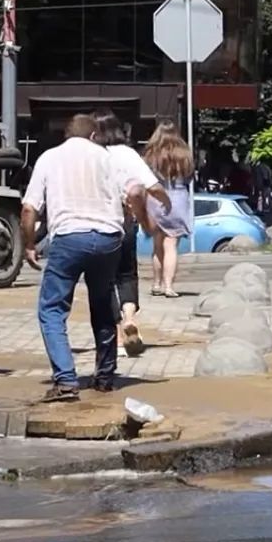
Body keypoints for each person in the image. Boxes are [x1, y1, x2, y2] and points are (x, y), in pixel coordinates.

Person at [21, 114, 153, 402]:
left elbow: (30, 208)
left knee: (52, 310)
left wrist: (29, 243)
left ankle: (66, 381)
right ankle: (105, 377)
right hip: (108, 240)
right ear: (94, 136)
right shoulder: (109, 158)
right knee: (103, 305)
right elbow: (136, 190)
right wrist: (141, 219)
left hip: (68, 238)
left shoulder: (49, 157)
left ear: (67, 135)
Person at [87, 110, 169, 358]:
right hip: (126, 222)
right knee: (127, 275)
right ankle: (130, 318)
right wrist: (166, 202)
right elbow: (151, 186)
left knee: (104, 281)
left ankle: (118, 338)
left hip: (98, 225)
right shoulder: (128, 154)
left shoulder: (90, 156)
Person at [142, 121, 194, 299]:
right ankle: (169, 286)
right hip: (178, 197)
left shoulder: (151, 154)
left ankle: (156, 283)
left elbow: (144, 178)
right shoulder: (184, 153)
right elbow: (189, 176)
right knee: (171, 245)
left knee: (157, 244)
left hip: (155, 197)